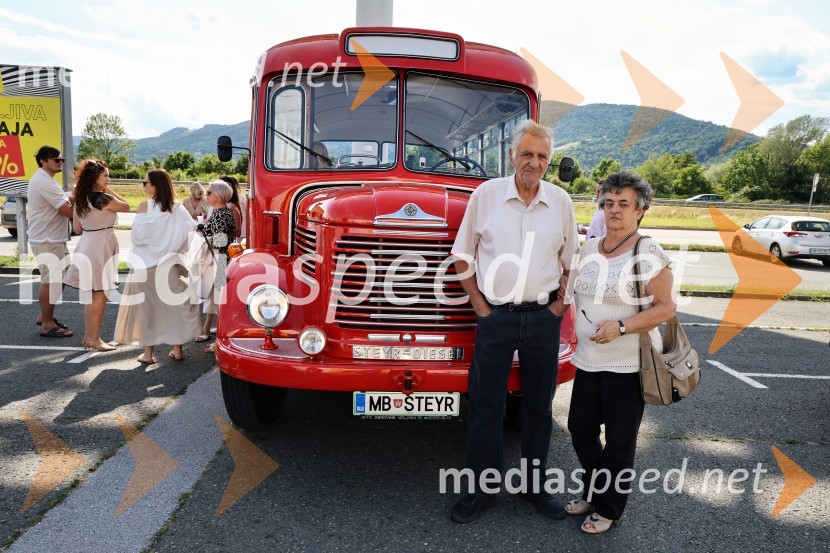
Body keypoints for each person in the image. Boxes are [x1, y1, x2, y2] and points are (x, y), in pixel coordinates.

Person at [450, 120, 579, 523]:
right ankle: (481, 492)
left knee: (540, 407)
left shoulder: (561, 202)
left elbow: (573, 262)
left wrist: (559, 307)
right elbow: (462, 255)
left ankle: (534, 487)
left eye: (542, 156)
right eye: (527, 154)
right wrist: (480, 307)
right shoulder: (485, 196)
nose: (534, 162)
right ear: (512, 156)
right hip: (497, 317)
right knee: (487, 406)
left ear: (549, 161)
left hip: (543, 319)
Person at [564, 171, 675, 534]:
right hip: (588, 361)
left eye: (623, 204)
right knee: (579, 429)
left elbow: (665, 307)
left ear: (640, 210)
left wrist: (621, 326)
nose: (614, 210)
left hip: (628, 364)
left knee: (619, 443)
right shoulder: (589, 247)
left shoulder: (648, 251)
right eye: (609, 203)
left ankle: (608, 507)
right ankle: (596, 490)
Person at [114, 169, 202, 363]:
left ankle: (148, 354)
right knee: (175, 308)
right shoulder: (178, 208)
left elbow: (137, 237)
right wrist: (176, 252)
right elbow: (189, 233)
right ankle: (177, 349)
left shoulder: (145, 207)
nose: (143, 186)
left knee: (147, 311)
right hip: (169, 265)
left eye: (144, 183)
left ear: (154, 185)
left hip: (144, 267)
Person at [63, 159, 130, 351]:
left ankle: (89, 337)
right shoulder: (100, 198)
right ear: (95, 178)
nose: (108, 179)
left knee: (92, 294)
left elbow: (76, 228)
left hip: (87, 244)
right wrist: (108, 191)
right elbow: (125, 206)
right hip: (100, 245)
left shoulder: (80, 198)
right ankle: (94, 339)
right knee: (99, 295)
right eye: (105, 175)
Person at [28, 146, 74, 338]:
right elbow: (67, 210)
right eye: (56, 160)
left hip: (53, 237)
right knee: (51, 281)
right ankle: (47, 324)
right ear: (43, 161)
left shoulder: (48, 180)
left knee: (62, 277)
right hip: (47, 238)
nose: (60, 162)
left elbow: (65, 202)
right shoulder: (44, 181)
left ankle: (44, 316)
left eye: (61, 159)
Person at [195, 179, 235, 348]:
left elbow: (223, 239)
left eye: (209, 192)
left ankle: (221, 340)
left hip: (219, 260)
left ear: (218, 196)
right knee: (216, 300)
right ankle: (219, 337)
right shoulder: (222, 212)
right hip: (219, 260)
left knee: (219, 302)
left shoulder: (222, 214)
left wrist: (204, 237)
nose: (206, 194)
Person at [219, 175, 245, 240]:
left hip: (229, 242)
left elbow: (237, 232)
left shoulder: (231, 206)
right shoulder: (219, 205)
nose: (206, 194)